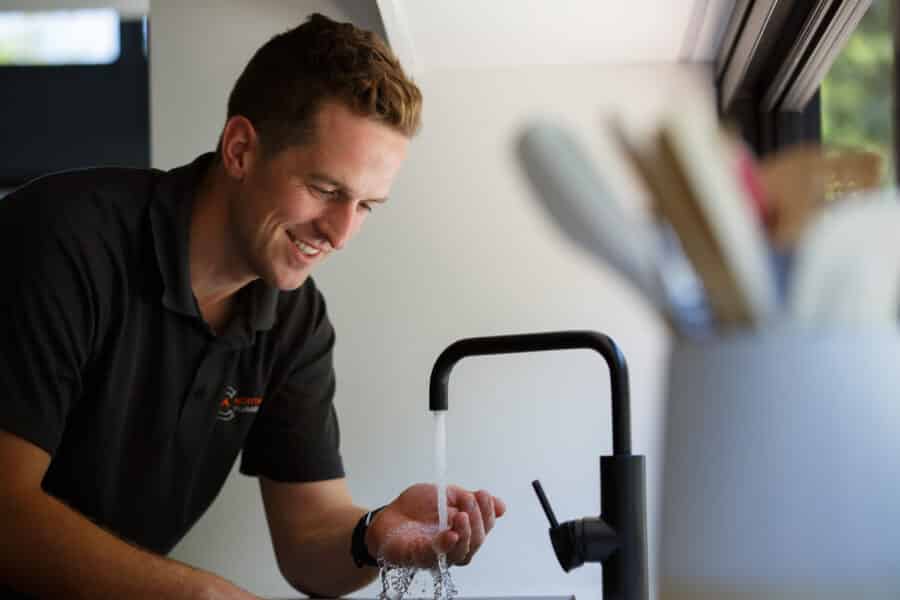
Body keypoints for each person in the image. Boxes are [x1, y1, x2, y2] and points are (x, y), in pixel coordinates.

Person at [0, 13, 505, 600]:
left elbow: (309, 537)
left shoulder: (295, 319)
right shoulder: (62, 242)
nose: (341, 234)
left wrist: (374, 534)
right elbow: (5, 515)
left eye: (366, 205)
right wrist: (201, 596)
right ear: (240, 150)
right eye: (325, 190)